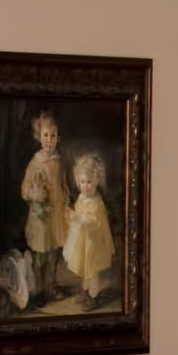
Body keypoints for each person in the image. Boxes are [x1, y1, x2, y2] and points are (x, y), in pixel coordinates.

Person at [19, 112, 68, 307]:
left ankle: (51, 286)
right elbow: (24, 190)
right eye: (45, 135)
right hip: (41, 218)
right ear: (38, 137)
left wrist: (69, 203)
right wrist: (34, 194)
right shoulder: (35, 162)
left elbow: (63, 185)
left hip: (56, 215)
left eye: (53, 135)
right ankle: (39, 290)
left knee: (54, 253)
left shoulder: (59, 161)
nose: (49, 140)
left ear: (58, 138)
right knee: (40, 256)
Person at [63, 151, 115, 308]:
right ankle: (85, 291)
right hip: (83, 240)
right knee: (84, 268)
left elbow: (92, 223)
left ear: (97, 181)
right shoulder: (81, 197)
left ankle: (94, 296)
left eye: (89, 182)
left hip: (94, 242)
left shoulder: (97, 203)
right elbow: (79, 213)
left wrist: (78, 218)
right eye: (82, 182)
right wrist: (72, 217)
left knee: (92, 271)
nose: (85, 186)